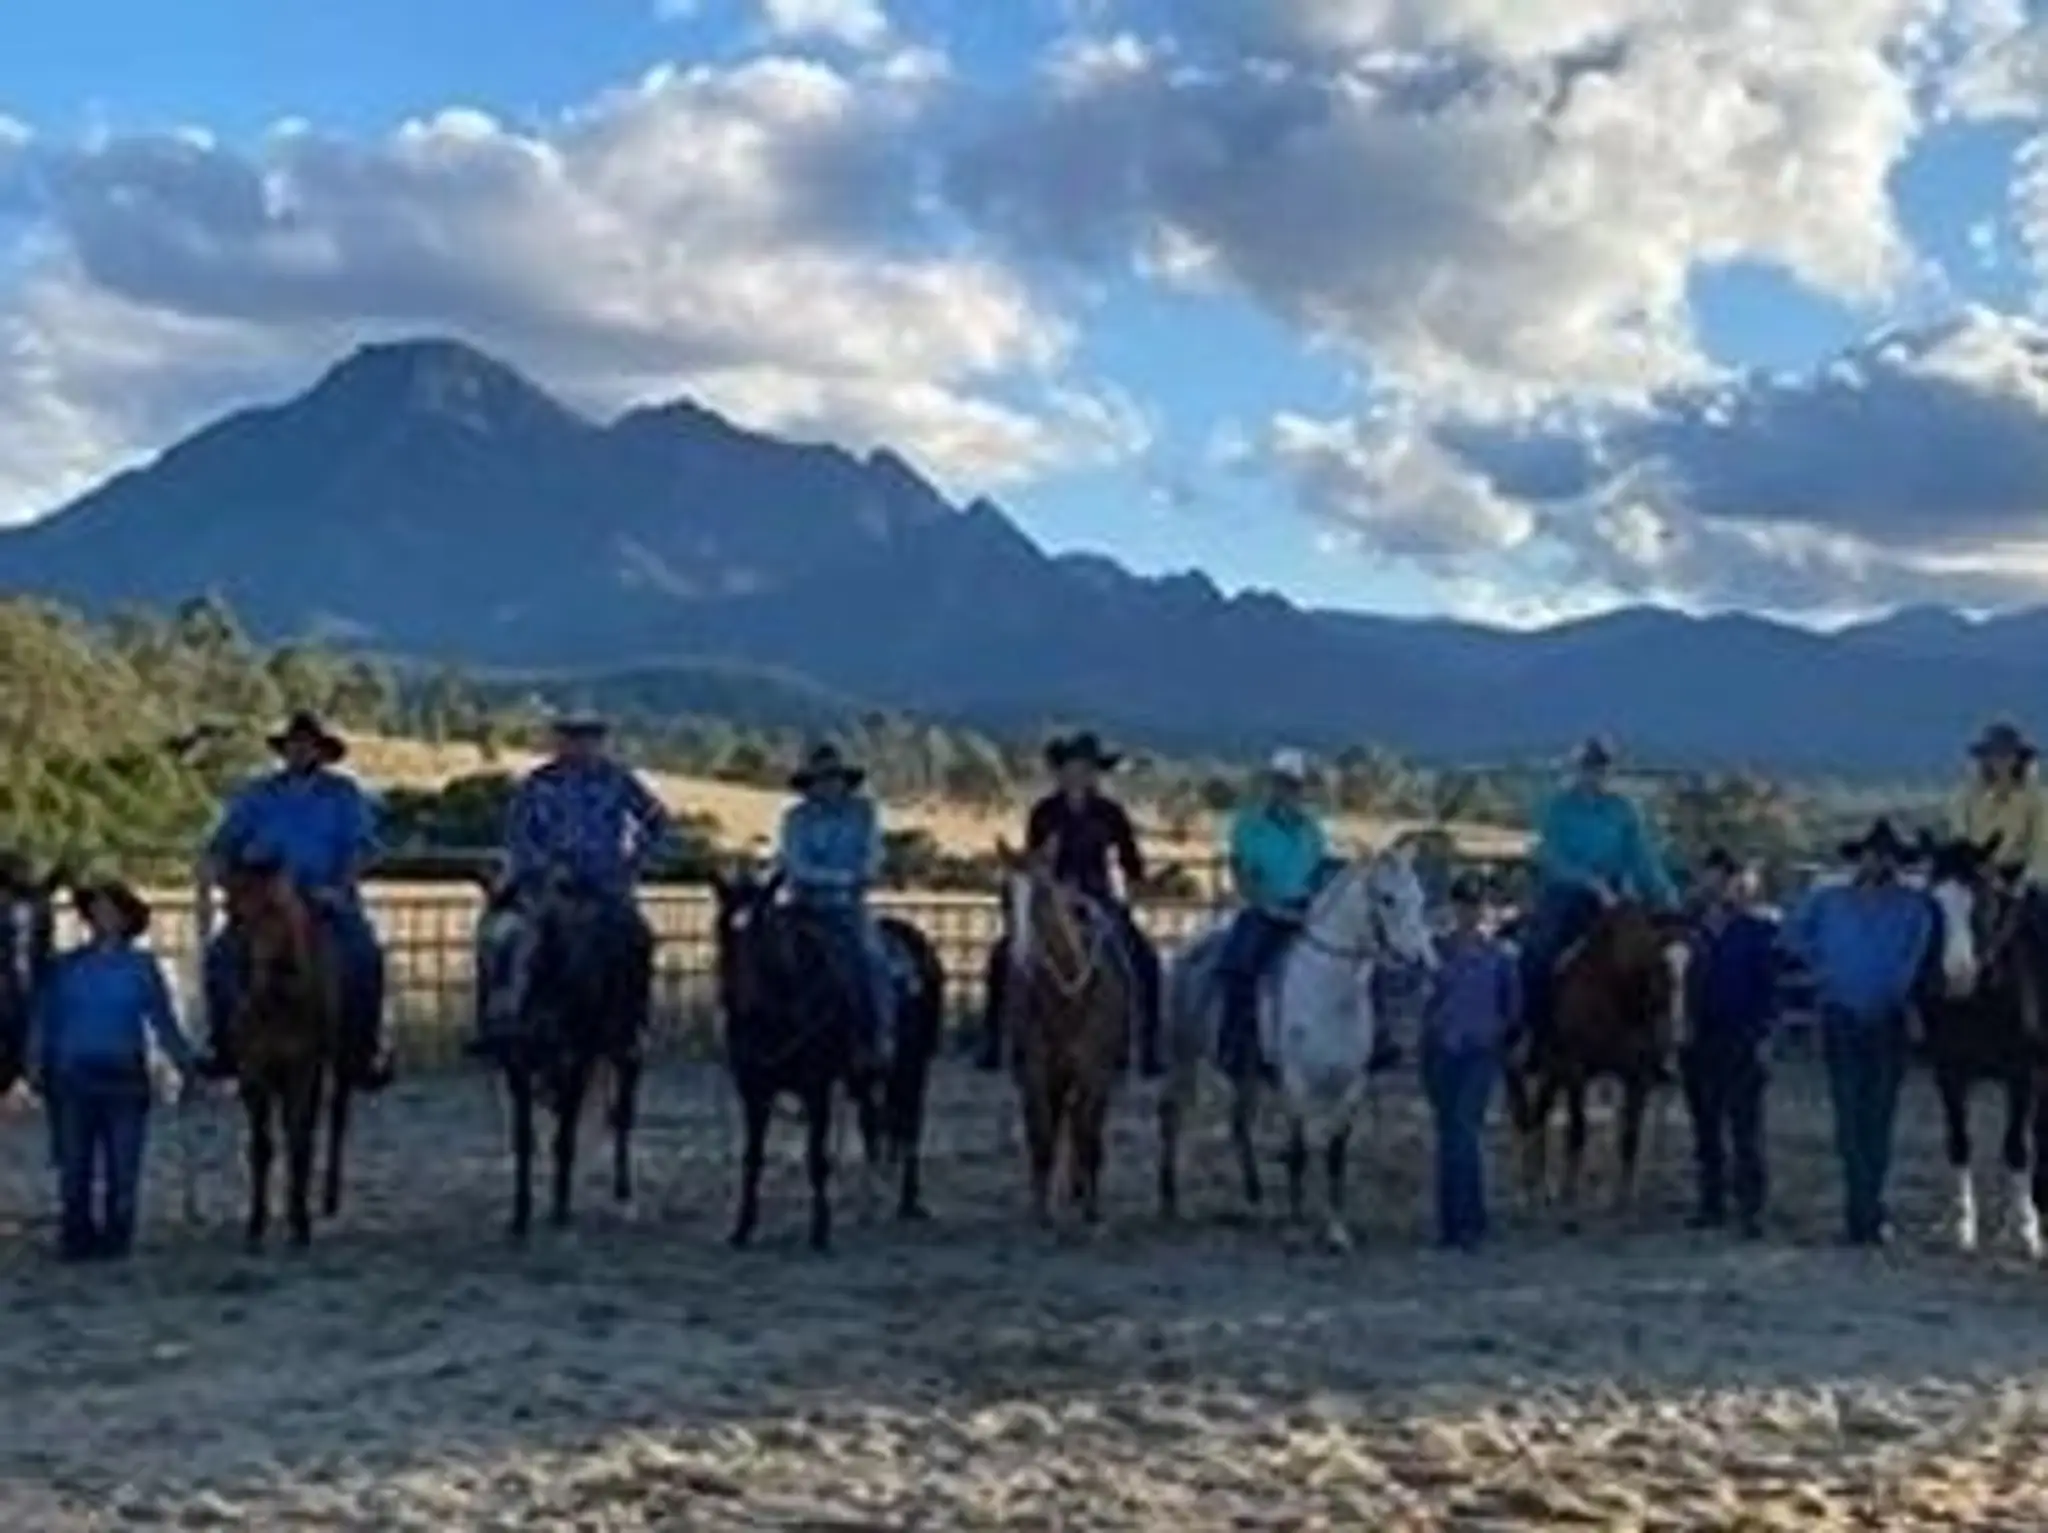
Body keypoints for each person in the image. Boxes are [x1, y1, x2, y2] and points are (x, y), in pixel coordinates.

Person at [202, 711, 389, 1089]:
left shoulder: (344, 794)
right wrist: (228, 879)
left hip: (325, 895)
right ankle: (224, 1046)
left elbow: (362, 848)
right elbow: (223, 843)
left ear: (321, 752)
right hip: (263, 897)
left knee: (365, 957)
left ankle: (362, 1051)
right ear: (283, 751)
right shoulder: (258, 794)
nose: (300, 752)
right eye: (293, 746)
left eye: (308, 746)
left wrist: (339, 885)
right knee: (220, 957)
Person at [1783, 818, 1935, 1247]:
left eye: (1886, 855)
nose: (1878, 861)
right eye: (1872, 853)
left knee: (1879, 1120)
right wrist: (1820, 969)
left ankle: (1871, 1208)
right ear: (1860, 858)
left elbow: (1916, 958)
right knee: (1849, 1118)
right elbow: (1789, 936)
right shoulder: (1827, 901)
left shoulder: (1913, 907)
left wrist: (1899, 990)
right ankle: (1859, 1210)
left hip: (1888, 1018)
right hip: (1841, 1014)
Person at [32, 880, 200, 1261]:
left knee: (123, 1170)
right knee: (74, 1167)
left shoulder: (141, 968)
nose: (102, 918)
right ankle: (76, 1237)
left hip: (122, 1076)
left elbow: (162, 1019)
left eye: (110, 910)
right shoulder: (65, 968)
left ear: (126, 919)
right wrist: (35, 1060)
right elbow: (46, 1017)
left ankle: (116, 1238)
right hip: (72, 1075)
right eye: (96, 910)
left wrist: (184, 1064)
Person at [980, 732, 1163, 1076]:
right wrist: (1053, 888)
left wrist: (1135, 889)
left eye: (1086, 768)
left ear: (1096, 774)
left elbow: (1131, 861)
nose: (1078, 775)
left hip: (1099, 897)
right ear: (1060, 772)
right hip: (1052, 897)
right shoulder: (1043, 813)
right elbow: (1035, 861)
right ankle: (998, 1039)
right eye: (1071, 768)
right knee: (1004, 955)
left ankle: (1145, 1043)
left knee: (1143, 958)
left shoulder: (1110, 813)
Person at [497, 709, 669, 1050]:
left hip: (607, 885)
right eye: (571, 736)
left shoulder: (618, 780)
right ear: (559, 741)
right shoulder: (537, 784)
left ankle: (636, 1019)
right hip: (551, 885)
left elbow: (657, 819)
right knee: (520, 937)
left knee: (637, 938)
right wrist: (542, 866)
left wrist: (634, 860)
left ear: (600, 741)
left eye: (588, 737)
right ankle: (511, 1012)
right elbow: (517, 835)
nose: (578, 744)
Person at [1518, 738, 1679, 1064]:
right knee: (1538, 952)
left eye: (1602, 767)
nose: (1595, 773)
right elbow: (1548, 854)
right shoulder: (1559, 807)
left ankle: (1652, 1043)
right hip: (1566, 892)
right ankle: (1536, 1034)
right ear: (1578, 769)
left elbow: (1642, 856)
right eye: (1589, 767)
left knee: (1651, 957)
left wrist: (1667, 896)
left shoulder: (1622, 809)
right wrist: (1590, 882)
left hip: (1615, 894)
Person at [1680, 848, 1782, 1239]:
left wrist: (1764, 1034)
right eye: (1711, 879)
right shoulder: (1689, 932)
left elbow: (1771, 990)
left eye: (1726, 880)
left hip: (1743, 1033)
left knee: (1745, 1125)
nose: (1719, 888)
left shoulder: (1759, 932)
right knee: (1705, 1123)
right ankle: (1711, 1201)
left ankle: (1751, 1206)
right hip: (1699, 1034)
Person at [777, 743, 894, 1076]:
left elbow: (873, 857)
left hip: (848, 909)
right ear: (809, 785)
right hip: (803, 907)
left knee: (873, 960)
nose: (826, 786)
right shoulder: (795, 818)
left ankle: (879, 1035)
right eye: (819, 780)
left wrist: (856, 877)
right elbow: (794, 864)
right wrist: (844, 877)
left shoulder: (864, 813)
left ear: (844, 781)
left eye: (832, 778)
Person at [1418, 874, 1519, 1250]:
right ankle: (1453, 1222)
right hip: (1441, 1050)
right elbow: (1423, 1000)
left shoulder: (1500, 957)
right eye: (1465, 906)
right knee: (1449, 1134)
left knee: (1464, 1131)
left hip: (1479, 1051)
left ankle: (1469, 1221)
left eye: (1476, 906)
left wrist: (1502, 1039)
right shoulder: (1437, 952)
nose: (1471, 914)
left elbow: (1513, 1009)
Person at [1217, 749, 1328, 1082]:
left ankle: (1365, 1041)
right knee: (1240, 965)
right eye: (1284, 784)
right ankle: (1235, 1044)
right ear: (1272, 785)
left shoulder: (1312, 830)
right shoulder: (1250, 825)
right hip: (1263, 910)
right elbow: (1241, 872)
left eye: (1296, 786)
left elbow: (1317, 874)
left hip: (1304, 912)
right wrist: (1264, 903)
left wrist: (1314, 905)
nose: (1290, 792)